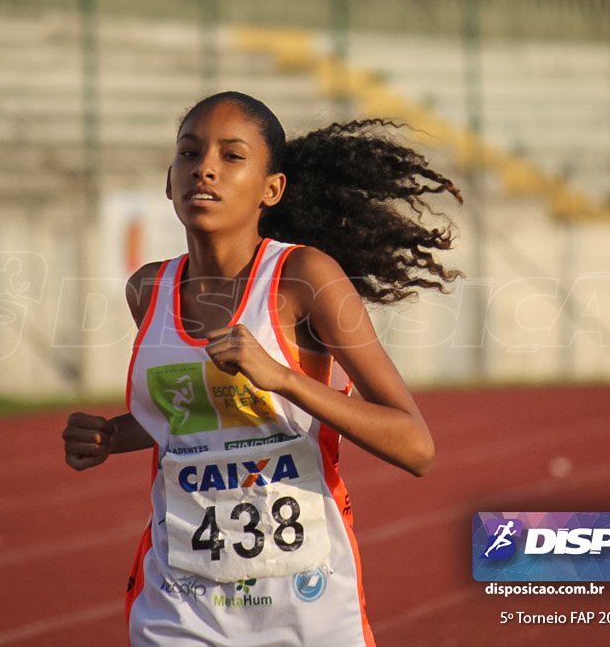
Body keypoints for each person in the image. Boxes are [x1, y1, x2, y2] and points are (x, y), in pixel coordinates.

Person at [62, 91, 461, 646]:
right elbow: (194, 414)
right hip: (180, 605)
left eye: (231, 155)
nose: (204, 168)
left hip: (308, 608)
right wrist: (111, 434)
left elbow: (416, 446)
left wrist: (283, 377)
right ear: (169, 179)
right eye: (189, 153)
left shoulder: (304, 277)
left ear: (271, 189)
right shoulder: (148, 289)